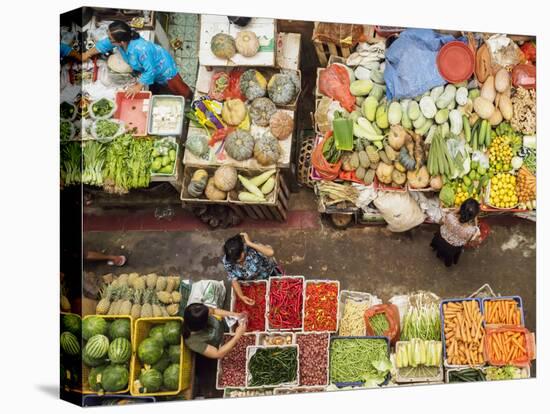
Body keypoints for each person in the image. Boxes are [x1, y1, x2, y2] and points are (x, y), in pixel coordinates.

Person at [81, 20, 192, 99]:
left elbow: (150, 71)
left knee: (179, 88)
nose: (109, 40)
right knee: (161, 84)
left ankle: (190, 99)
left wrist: (138, 86)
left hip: (163, 68)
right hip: (152, 67)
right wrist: (86, 54)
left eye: (111, 38)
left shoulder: (140, 49)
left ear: (121, 42)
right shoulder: (122, 40)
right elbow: (104, 44)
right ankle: (163, 87)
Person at [222, 233, 280, 305]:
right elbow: (233, 278)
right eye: (234, 260)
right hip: (253, 281)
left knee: (278, 289)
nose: (237, 261)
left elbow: (271, 252)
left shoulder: (252, 250)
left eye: (239, 258)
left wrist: (250, 243)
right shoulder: (227, 261)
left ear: (243, 250)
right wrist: (241, 296)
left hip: (268, 272)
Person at [182, 303, 247, 359]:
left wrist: (235, 315)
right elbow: (217, 354)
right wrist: (237, 336)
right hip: (220, 344)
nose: (210, 314)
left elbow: (214, 311)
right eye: (208, 316)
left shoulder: (198, 311)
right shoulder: (192, 342)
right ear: (202, 325)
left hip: (221, 327)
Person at [431, 198, 481, 267]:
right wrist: (475, 220)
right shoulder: (471, 231)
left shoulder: (450, 217)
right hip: (453, 248)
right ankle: (448, 263)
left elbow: (440, 222)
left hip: (441, 239)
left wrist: (455, 211)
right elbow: (472, 240)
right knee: (450, 253)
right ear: (473, 217)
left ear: (460, 208)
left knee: (441, 240)